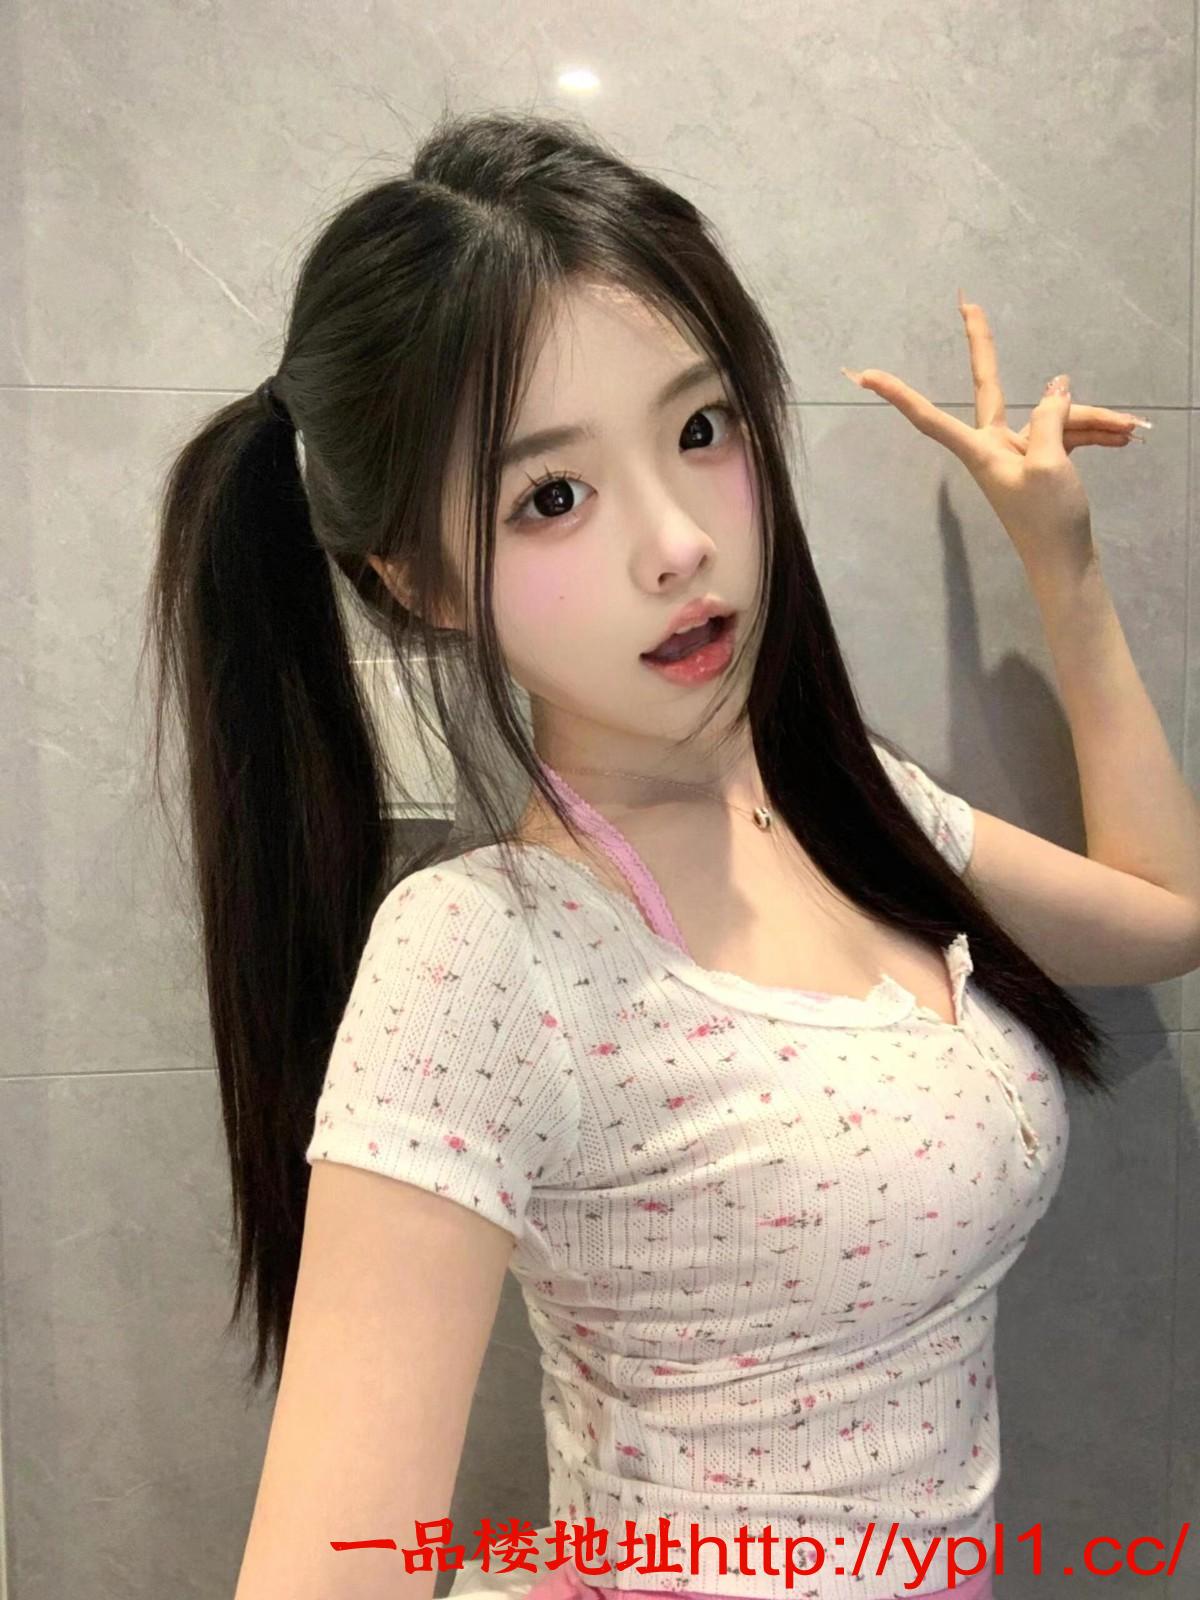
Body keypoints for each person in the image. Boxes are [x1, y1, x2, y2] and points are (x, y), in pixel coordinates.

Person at [143, 106, 1199, 1600]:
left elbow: (1167, 913)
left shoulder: (851, 804)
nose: (679, 543)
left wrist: (1064, 567)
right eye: (551, 497)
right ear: (419, 579)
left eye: (701, 431)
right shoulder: (485, 954)